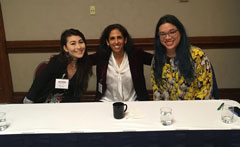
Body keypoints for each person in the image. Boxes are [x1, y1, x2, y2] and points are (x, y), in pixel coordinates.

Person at [151, 14, 213, 100]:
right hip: (169, 111)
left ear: (180, 32)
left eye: (172, 32)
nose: (167, 37)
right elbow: (157, 93)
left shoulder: (197, 55)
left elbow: (205, 91)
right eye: (162, 34)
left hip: (196, 110)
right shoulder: (157, 59)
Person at [23, 28, 92, 103]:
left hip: (66, 107)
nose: (78, 47)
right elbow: (37, 86)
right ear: (65, 48)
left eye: (81, 42)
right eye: (73, 43)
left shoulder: (84, 65)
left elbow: (76, 94)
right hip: (44, 104)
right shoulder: (56, 62)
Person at [90, 24, 153, 102]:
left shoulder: (136, 55)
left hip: (133, 102)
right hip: (106, 102)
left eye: (119, 38)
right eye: (112, 38)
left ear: (125, 40)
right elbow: (84, 62)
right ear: (107, 42)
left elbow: (155, 60)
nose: (116, 42)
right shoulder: (101, 57)